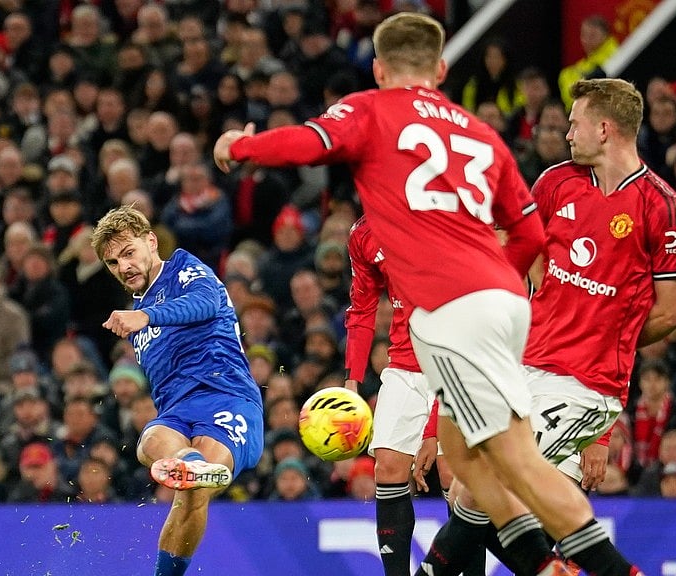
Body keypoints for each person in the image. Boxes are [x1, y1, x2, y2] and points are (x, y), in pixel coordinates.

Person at [213, 12, 631, 576]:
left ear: (380, 68)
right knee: (466, 460)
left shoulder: (372, 107)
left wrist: (242, 147)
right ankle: (542, 564)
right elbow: (531, 234)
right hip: (504, 305)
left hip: (453, 311)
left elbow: (308, 142)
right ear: (440, 68)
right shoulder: (480, 133)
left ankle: (608, 571)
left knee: (513, 461)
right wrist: (492, 291)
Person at [420, 77, 676, 575]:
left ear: (604, 128)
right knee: (470, 490)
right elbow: (524, 244)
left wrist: (603, 336)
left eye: (573, 124)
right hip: (527, 368)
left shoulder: (664, 208)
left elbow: (673, 312)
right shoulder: (556, 182)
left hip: (586, 385)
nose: (565, 133)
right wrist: (548, 304)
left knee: (484, 490)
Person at [91, 206, 264, 576]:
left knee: (193, 488)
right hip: (177, 412)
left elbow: (204, 304)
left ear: (151, 242)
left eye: (129, 253)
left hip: (227, 397)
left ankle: (199, 466)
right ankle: (191, 464)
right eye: (112, 263)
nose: (123, 267)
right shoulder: (138, 312)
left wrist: (147, 316)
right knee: (149, 443)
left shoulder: (184, 269)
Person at [344, 215, 481, 576]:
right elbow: (361, 308)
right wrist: (352, 381)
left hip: (458, 360)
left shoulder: (443, 222)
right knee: (388, 466)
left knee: (455, 477)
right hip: (405, 364)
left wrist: (433, 427)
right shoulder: (363, 234)